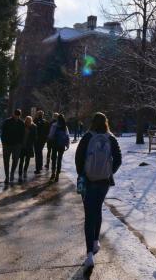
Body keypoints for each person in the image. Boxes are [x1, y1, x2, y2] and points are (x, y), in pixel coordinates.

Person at [75, 112, 122, 269]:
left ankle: (89, 254)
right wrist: (110, 172)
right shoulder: (111, 138)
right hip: (104, 181)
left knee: (89, 214)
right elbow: (119, 159)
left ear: (93, 122)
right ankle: (96, 242)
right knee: (98, 209)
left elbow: (78, 157)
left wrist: (82, 173)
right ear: (106, 123)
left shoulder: (87, 137)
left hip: (88, 181)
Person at [1, 109, 26, 184]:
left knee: (15, 160)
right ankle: (7, 177)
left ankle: (12, 173)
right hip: (7, 144)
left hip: (17, 145)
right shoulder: (7, 121)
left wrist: (21, 143)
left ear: (19, 115)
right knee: (6, 161)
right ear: (13, 114)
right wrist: (3, 142)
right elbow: (3, 132)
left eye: (18, 115)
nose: (17, 117)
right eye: (16, 115)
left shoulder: (21, 123)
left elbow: (23, 134)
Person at [48, 113, 70, 181]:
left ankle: (53, 173)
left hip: (54, 144)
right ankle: (57, 174)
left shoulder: (54, 125)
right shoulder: (65, 126)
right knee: (59, 159)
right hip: (62, 145)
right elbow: (67, 136)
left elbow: (51, 135)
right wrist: (67, 144)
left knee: (54, 159)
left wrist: (49, 139)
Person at [18, 115, 37, 182]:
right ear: (25, 121)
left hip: (29, 146)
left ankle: (25, 171)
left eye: (29, 121)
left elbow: (35, 137)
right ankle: (20, 174)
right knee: (21, 161)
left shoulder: (33, 127)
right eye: (27, 120)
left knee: (27, 160)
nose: (28, 122)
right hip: (23, 146)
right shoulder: (22, 126)